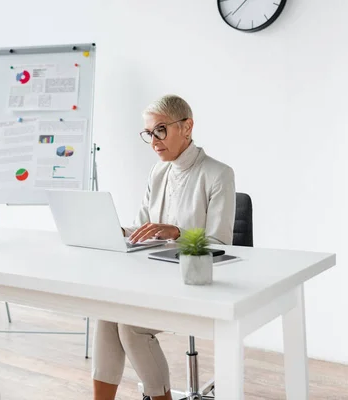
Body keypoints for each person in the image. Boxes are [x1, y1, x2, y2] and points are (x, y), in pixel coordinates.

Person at [92, 94, 236, 400]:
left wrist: (177, 232)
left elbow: (220, 244)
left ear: (187, 127)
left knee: (130, 326)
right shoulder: (158, 172)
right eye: (149, 134)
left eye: (161, 130)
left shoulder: (218, 174)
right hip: (153, 279)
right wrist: (115, 231)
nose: (154, 141)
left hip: (193, 283)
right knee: (106, 313)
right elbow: (142, 226)